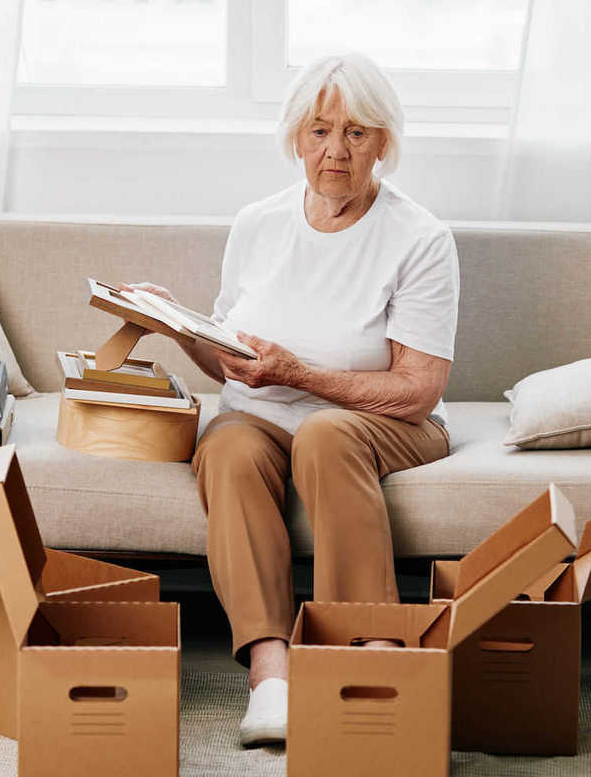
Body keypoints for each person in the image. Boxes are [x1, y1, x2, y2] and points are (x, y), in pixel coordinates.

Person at [122, 52, 459, 747]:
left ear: (384, 143)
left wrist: (302, 375)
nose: (334, 151)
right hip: (266, 417)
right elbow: (232, 364)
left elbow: (419, 389)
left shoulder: (420, 238)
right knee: (229, 445)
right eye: (318, 131)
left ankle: (370, 654)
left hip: (386, 422)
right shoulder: (258, 223)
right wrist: (177, 325)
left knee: (328, 435)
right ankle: (270, 675)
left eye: (356, 133)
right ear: (294, 138)